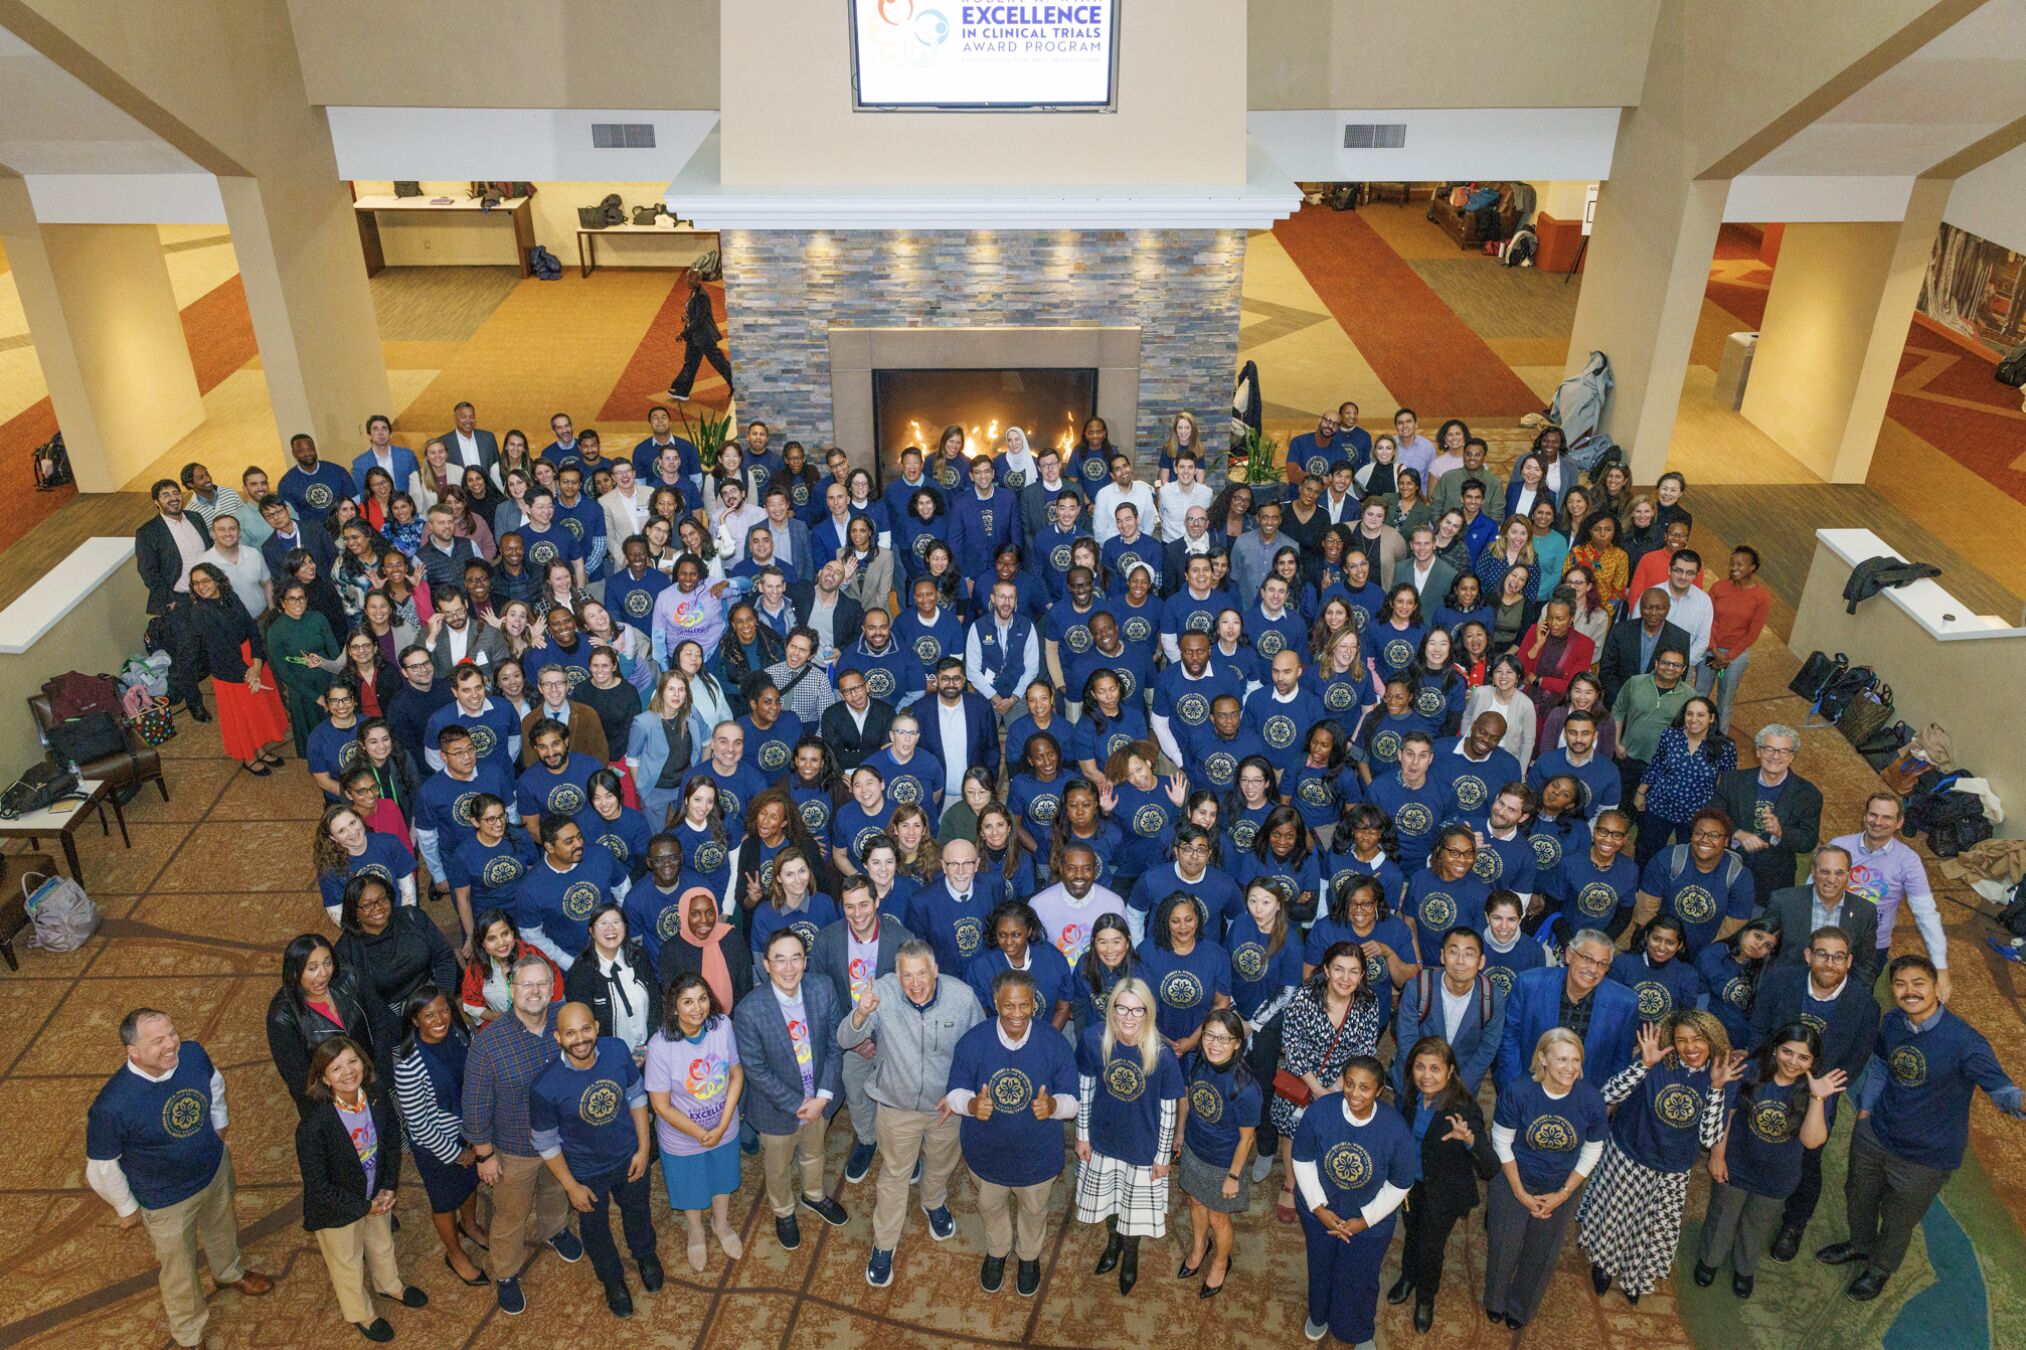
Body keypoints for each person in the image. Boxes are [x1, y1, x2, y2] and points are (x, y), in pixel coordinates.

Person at [1816, 955, 2026, 1300]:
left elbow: (2002, 1092)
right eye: (1900, 984)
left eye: (1918, 983)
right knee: (1858, 1196)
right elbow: (1882, 1066)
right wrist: (1866, 1111)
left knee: (1898, 1220)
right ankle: (1859, 1245)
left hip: (1926, 1158)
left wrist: (2020, 1101)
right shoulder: (1894, 1022)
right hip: (1876, 1134)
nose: (1909, 991)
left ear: (1937, 989)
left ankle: (1880, 1269)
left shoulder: (1965, 1043)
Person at [87, 1009, 276, 1348]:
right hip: (165, 1200)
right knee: (179, 1270)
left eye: (172, 1033)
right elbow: (101, 1167)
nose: (171, 1044)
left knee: (222, 1225)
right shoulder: (112, 1106)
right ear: (133, 1051)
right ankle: (189, 1333)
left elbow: (214, 1082)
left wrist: (219, 1123)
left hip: (213, 1169)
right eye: (157, 1041)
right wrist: (126, 1208)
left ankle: (228, 1272)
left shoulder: (192, 1054)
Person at [837, 939, 984, 1286]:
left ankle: (933, 1202)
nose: (915, 983)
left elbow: (978, 1050)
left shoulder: (962, 998)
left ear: (935, 970)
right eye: (907, 975)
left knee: (939, 1166)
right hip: (895, 1107)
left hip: (944, 1110)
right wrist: (861, 1012)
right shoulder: (882, 994)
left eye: (922, 973)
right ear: (896, 975)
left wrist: (960, 1094)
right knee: (893, 1177)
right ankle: (884, 1244)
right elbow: (845, 1039)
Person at [1578, 1012, 1744, 1304]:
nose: (1689, 1047)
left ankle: (1634, 1275)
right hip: (1630, 1153)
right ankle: (1604, 1265)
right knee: (1617, 1216)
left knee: (1650, 1226)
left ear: (1712, 1039)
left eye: (1697, 1039)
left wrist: (1716, 1089)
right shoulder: (1657, 1061)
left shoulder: (1722, 1076)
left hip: (1673, 1168)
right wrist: (1643, 1064)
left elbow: (1708, 1139)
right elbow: (1609, 1093)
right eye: (1681, 1040)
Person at [945, 968, 1079, 1297]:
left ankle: (1029, 1257)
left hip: (1038, 1155)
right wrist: (974, 1105)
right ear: (995, 1003)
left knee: (1034, 1211)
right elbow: (953, 1094)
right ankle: (998, 1251)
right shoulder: (973, 1041)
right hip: (986, 1152)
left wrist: (1052, 1108)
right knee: (990, 1207)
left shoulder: (1054, 1043)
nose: (1016, 1014)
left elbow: (1073, 1102)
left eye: (1023, 1006)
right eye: (1008, 1006)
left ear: (1034, 1004)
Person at [460, 953, 581, 1316]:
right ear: (512, 990)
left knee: (556, 1191)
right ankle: (507, 1273)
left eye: (541, 983)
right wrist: (484, 1154)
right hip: (513, 1150)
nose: (535, 991)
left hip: (560, 1141)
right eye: (526, 984)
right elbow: (475, 1103)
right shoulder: (489, 1043)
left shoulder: (565, 1021)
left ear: (551, 987)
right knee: (510, 1216)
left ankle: (555, 1229)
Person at [1752, 927, 1881, 1262]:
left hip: (1819, 1094)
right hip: (1771, 1077)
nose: (1830, 963)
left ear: (1849, 962)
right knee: (1755, 1136)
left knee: (1807, 1160)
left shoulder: (1865, 1006)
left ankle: (1794, 1224)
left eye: (1838, 956)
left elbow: (1855, 1060)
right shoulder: (1782, 980)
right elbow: (1759, 1027)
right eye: (1822, 954)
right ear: (1809, 955)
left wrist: (1819, 1090)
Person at [528, 1001, 661, 1318]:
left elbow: (637, 1095)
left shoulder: (616, 1050)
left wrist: (643, 1148)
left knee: (638, 1211)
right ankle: (612, 1280)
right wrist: (571, 1187)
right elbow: (545, 1142)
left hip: (629, 1156)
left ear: (597, 1027)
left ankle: (645, 1255)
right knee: (595, 1230)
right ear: (558, 1038)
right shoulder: (545, 1087)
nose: (580, 1039)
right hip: (586, 1173)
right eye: (570, 1033)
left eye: (586, 1029)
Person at [1694, 1023, 1843, 1298]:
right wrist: (1717, 1155)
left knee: (1757, 1223)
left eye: (1803, 1057)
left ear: (1813, 1061)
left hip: (1779, 1175)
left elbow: (1811, 1141)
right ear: (1775, 1049)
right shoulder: (1750, 1070)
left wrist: (1818, 1097)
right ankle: (1710, 1260)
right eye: (1787, 1052)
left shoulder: (1818, 1089)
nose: (1793, 1062)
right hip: (1736, 1164)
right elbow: (1727, 1115)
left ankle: (1744, 1268)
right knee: (1722, 1216)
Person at [293, 1036, 423, 1343]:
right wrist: (364, 1207)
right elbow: (318, 1186)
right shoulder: (314, 1124)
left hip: (375, 1192)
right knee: (347, 1262)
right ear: (323, 1078)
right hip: (337, 1208)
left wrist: (389, 1186)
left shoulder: (376, 1095)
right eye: (336, 1068)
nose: (348, 1072)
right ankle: (361, 1313)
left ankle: (389, 1285)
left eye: (353, 1061)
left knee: (381, 1243)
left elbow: (391, 1143)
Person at [733, 929, 851, 1249]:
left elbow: (834, 1045)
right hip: (776, 1109)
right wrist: (800, 1104)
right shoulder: (748, 1011)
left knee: (815, 1152)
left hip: (822, 1099)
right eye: (780, 960)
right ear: (766, 965)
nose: (788, 968)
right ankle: (783, 1210)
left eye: (795, 958)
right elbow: (756, 1070)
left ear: (805, 961)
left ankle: (813, 1195)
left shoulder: (822, 988)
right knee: (778, 1165)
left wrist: (822, 1097)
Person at [1291, 1054, 1416, 1347]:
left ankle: (1358, 1330)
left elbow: (1400, 1183)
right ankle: (1319, 1314)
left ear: (1379, 1091)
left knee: (1360, 1276)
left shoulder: (1395, 1129)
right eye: (1349, 1084)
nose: (1354, 1094)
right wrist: (1319, 1208)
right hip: (1321, 1210)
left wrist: (1364, 1220)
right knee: (1320, 1264)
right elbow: (1302, 1158)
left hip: (1369, 1223)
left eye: (1364, 1087)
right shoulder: (1321, 1111)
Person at [1075, 977, 1185, 1295]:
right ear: (1111, 1009)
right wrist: (1082, 1136)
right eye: (1121, 1008)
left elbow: (1168, 1112)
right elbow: (1085, 1090)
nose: (1128, 1017)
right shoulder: (1092, 1039)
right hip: (1102, 1140)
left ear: (1148, 1013)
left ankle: (1130, 1257)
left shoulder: (1161, 1054)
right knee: (1109, 1202)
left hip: (1142, 1147)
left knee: (1133, 1210)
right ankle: (1113, 1244)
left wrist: (1163, 1157)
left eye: (1137, 1010)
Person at [809, 878, 915, 1183]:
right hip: (850, 1036)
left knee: (898, 1096)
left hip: (892, 1038)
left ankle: (900, 1149)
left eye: (863, 905)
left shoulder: (902, 939)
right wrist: (853, 1041)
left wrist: (885, 1039)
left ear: (877, 902)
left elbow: (913, 995)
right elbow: (821, 997)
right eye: (849, 906)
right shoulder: (827, 940)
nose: (857, 914)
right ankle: (867, 1141)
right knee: (856, 1093)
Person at [1271, 942, 1383, 1224]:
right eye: (1339, 970)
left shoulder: (1368, 1003)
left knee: (1336, 1135)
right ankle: (1290, 1183)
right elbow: (1291, 1045)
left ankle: (1323, 1183)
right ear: (1326, 969)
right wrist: (1318, 1090)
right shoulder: (1305, 997)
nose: (1346, 979)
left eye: (1354, 972)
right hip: (1302, 1078)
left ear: (1362, 975)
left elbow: (1365, 1049)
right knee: (1293, 1130)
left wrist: (1338, 1087)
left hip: (1346, 1082)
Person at [644, 973, 746, 1272]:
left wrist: (724, 1123)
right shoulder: (661, 1045)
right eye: (687, 1002)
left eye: (702, 999)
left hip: (723, 1125)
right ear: (674, 1007)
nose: (697, 1008)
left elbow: (736, 1074)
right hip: (682, 1136)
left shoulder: (722, 1026)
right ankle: (696, 1230)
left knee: (723, 1177)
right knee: (690, 1185)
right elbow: (660, 1106)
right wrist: (702, 1134)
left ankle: (721, 1223)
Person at [390, 988, 489, 1288]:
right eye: (429, 1015)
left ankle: (469, 1225)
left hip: (469, 1134)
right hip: (438, 1147)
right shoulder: (409, 1064)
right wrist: (457, 1154)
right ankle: (455, 1254)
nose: (440, 1019)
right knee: (445, 1201)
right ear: (416, 1021)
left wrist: (475, 1136)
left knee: (470, 1185)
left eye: (444, 1010)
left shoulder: (461, 1036)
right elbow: (419, 1125)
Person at [1174, 1008, 1260, 1300]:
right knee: (1195, 1201)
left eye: (1224, 1039)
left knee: (1218, 1219)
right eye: (1209, 1035)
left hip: (1223, 1162)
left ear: (1237, 1043)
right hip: (1195, 1148)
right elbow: (1187, 1096)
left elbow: (1247, 1139)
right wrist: (1180, 1131)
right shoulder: (1198, 1062)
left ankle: (1221, 1262)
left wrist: (1233, 1176)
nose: (1214, 1044)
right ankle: (1200, 1248)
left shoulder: (1246, 1087)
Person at [1832, 792, 1952, 999]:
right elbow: (1810, 892)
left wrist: (1940, 967)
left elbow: (1926, 913)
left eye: (1887, 817)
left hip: (1871, 948)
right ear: (1865, 816)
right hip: (1830, 937)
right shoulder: (1839, 846)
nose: (1878, 822)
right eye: (1873, 815)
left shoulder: (1908, 861)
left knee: (1856, 1001)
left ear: (1899, 823)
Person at [1496, 928, 1640, 1094]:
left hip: (1584, 1100)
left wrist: (1601, 1102)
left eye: (1602, 964)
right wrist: (1515, 1088)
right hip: (1528, 1088)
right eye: (1587, 958)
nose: (1593, 969)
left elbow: (1620, 1061)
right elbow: (1508, 1038)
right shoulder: (1529, 984)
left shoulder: (1625, 1003)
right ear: (1570, 955)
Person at [186, 563, 291, 773]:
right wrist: (248, 672)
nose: (201, 586)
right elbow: (220, 649)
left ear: (217, 580)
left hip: (251, 658)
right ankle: (249, 757)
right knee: (243, 716)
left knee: (257, 711)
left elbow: (251, 627)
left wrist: (257, 661)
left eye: (205, 580)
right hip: (230, 670)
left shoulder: (231, 597)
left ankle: (260, 750)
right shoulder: (200, 612)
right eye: (196, 583)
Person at [267, 932, 378, 1118]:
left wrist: (379, 1077)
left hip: (372, 1084)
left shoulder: (348, 978)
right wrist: (342, 1102)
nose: (323, 973)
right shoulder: (282, 1016)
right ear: (295, 972)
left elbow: (380, 1021)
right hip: (328, 1106)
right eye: (312, 968)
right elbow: (299, 1078)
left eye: (327, 963)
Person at [1389, 926, 1506, 1096]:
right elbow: (1407, 1039)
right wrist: (1426, 1080)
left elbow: (1488, 1048)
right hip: (1414, 1080)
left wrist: (1456, 1088)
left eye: (1469, 954)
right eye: (1453, 952)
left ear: (1481, 962)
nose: (1460, 961)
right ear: (1442, 956)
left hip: (1461, 1084)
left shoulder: (1492, 996)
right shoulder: (1419, 987)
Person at [1716, 724, 1823, 903]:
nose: (1775, 756)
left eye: (1783, 751)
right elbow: (1713, 814)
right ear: (1758, 752)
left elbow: (1808, 840)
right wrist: (1738, 833)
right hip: (1726, 870)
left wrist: (1781, 833)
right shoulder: (1732, 780)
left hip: (1774, 882)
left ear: (1792, 756)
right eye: (1769, 749)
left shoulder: (1809, 794)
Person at [1633, 694, 1736, 866]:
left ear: (1711, 718)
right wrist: (1640, 792)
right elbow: (1657, 764)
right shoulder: (1670, 735)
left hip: (1696, 815)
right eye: (1689, 714)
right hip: (1659, 806)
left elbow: (1727, 784)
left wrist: (1717, 816)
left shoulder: (1725, 747)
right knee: (1646, 852)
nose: (1693, 719)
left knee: (1689, 861)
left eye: (1700, 715)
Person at [1762, 846, 1882, 988]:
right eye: (1825, 872)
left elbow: (1865, 966)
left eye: (1839, 873)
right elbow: (1763, 951)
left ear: (1848, 875)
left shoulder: (1864, 911)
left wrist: (1852, 1000)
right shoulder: (1783, 902)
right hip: (1786, 988)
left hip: (1837, 994)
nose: (1831, 880)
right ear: (1813, 871)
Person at [562, 905, 662, 1061]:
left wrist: (645, 1048)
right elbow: (584, 1025)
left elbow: (656, 1001)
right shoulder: (581, 972)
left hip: (650, 1051)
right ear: (591, 930)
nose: (611, 928)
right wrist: (618, 1057)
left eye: (616, 922)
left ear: (625, 927)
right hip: (607, 1058)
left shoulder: (638, 956)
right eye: (603, 923)